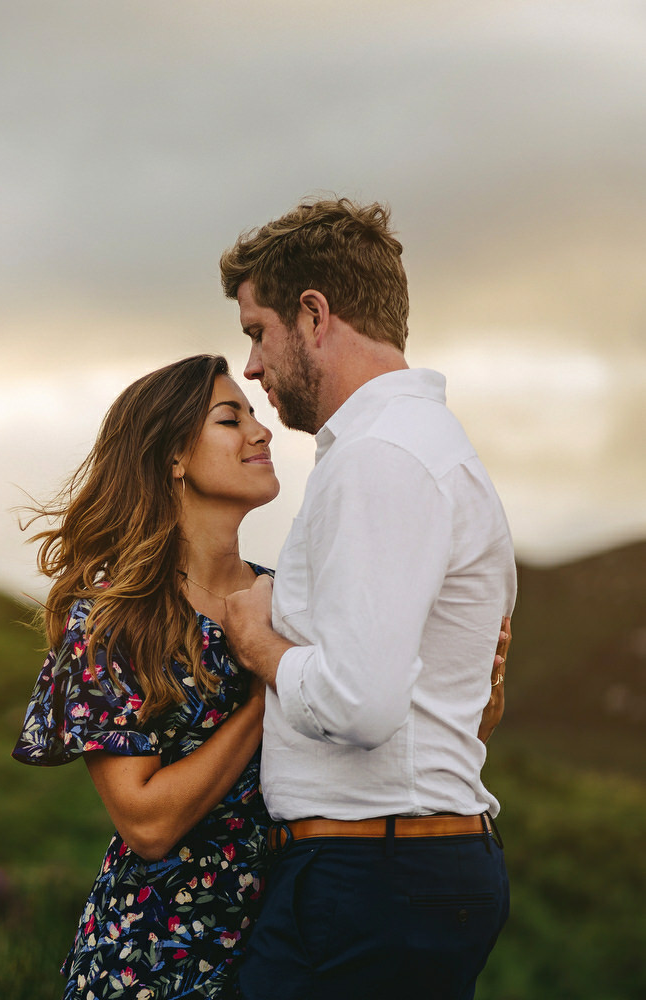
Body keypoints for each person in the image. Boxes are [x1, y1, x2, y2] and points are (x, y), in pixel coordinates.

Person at [218, 198, 515, 1000]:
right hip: (397, 871)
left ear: (314, 315)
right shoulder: (418, 449)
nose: (251, 367)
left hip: (370, 877)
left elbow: (361, 704)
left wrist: (258, 643)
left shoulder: (380, 458)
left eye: (257, 331)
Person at [13, 353, 282, 1000]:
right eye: (230, 418)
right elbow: (146, 822)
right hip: (150, 962)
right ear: (173, 458)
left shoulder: (287, 597)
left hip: (283, 953)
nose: (261, 431)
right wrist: (269, 689)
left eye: (254, 414)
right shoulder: (112, 620)